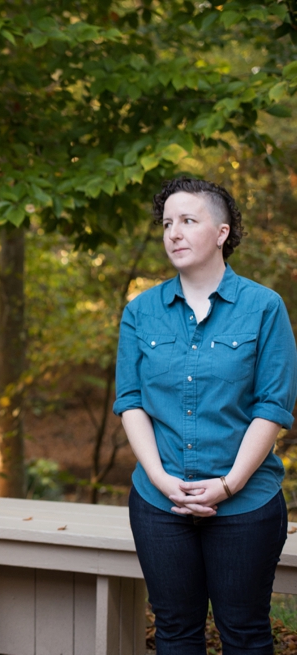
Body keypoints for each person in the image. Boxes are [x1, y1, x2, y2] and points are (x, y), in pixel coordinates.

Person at [114, 177, 297, 654]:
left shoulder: (264, 308)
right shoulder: (140, 311)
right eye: (167, 223)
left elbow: (272, 407)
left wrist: (229, 484)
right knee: (174, 631)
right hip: (160, 505)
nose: (173, 232)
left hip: (245, 505)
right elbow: (130, 401)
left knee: (245, 632)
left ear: (222, 232)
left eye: (188, 221)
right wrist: (159, 477)